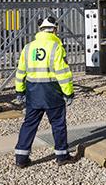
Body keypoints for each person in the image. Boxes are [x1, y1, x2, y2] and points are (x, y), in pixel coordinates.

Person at [13, 15, 74, 167]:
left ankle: (21, 158)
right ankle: (61, 155)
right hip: (52, 93)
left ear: (40, 30)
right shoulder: (56, 47)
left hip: (33, 92)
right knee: (58, 124)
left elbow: (21, 71)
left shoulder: (28, 47)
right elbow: (63, 73)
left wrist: (20, 91)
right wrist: (68, 93)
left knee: (29, 124)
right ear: (54, 30)